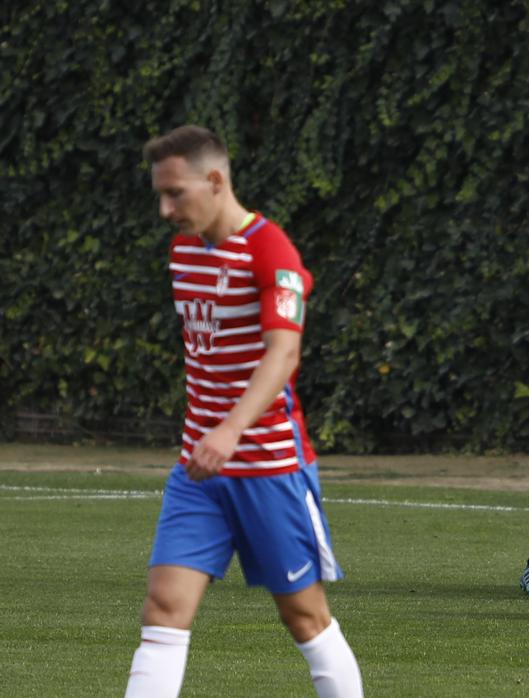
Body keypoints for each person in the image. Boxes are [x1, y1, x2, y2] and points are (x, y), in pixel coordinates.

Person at [126, 125, 363, 697]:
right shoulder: (183, 250)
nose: (165, 209)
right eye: (159, 194)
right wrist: (211, 439)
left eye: (175, 193)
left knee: (305, 617)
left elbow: (283, 354)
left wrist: (230, 430)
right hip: (199, 472)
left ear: (215, 180)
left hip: (268, 469)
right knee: (163, 607)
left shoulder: (271, 250)